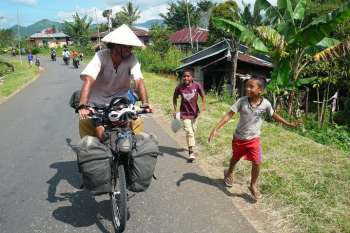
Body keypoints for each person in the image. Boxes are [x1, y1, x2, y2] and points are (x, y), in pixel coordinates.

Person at [208, 76, 298, 200]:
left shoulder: (265, 103)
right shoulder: (242, 101)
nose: (247, 89)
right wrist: (216, 128)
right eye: (247, 86)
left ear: (260, 90)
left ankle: (253, 185)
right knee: (235, 158)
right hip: (239, 138)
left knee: (257, 162)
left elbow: (273, 114)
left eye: (251, 86)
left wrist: (288, 123)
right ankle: (229, 172)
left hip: (254, 139)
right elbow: (229, 114)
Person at [77, 24, 150, 141]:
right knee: (86, 124)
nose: (130, 49)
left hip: (120, 103)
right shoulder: (100, 56)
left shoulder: (132, 58)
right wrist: (83, 105)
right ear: (116, 45)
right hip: (97, 104)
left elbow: (139, 81)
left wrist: (146, 104)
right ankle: (92, 153)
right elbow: (88, 80)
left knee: (138, 121)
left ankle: (134, 152)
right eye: (127, 46)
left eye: (131, 46)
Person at [173, 68, 206, 162]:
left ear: (192, 77)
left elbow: (203, 95)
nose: (186, 78)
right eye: (184, 76)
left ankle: (191, 144)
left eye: (188, 76)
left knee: (193, 130)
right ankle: (191, 152)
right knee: (189, 132)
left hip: (195, 113)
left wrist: (203, 105)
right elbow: (174, 98)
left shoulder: (197, 85)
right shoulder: (179, 87)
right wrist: (175, 110)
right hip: (184, 113)